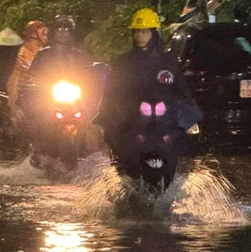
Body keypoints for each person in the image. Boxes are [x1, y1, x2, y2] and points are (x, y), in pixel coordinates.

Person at [94, 8, 201, 151]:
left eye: (144, 32)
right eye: (137, 31)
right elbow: (111, 90)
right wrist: (107, 114)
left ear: (153, 33)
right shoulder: (124, 61)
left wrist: (189, 115)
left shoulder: (167, 60)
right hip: (133, 114)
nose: (140, 36)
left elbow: (180, 88)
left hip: (162, 115)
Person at [16, 15, 94, 122]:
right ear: (54, 32)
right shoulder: (43, 54)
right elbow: (32, 75)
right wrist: (33, 85)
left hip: (73, 97)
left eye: (66, 29)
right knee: (32, 114)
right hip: (46, 95)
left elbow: (88, 75)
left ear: (71, 33)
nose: (63, 32)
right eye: (59, 29)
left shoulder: (78, 55)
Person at [7, 20, 48, 104]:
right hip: (24, 92)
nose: (46, 37)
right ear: (33, 34)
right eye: (43, 34)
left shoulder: (45, 51)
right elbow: (26, 68)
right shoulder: (24, 52)